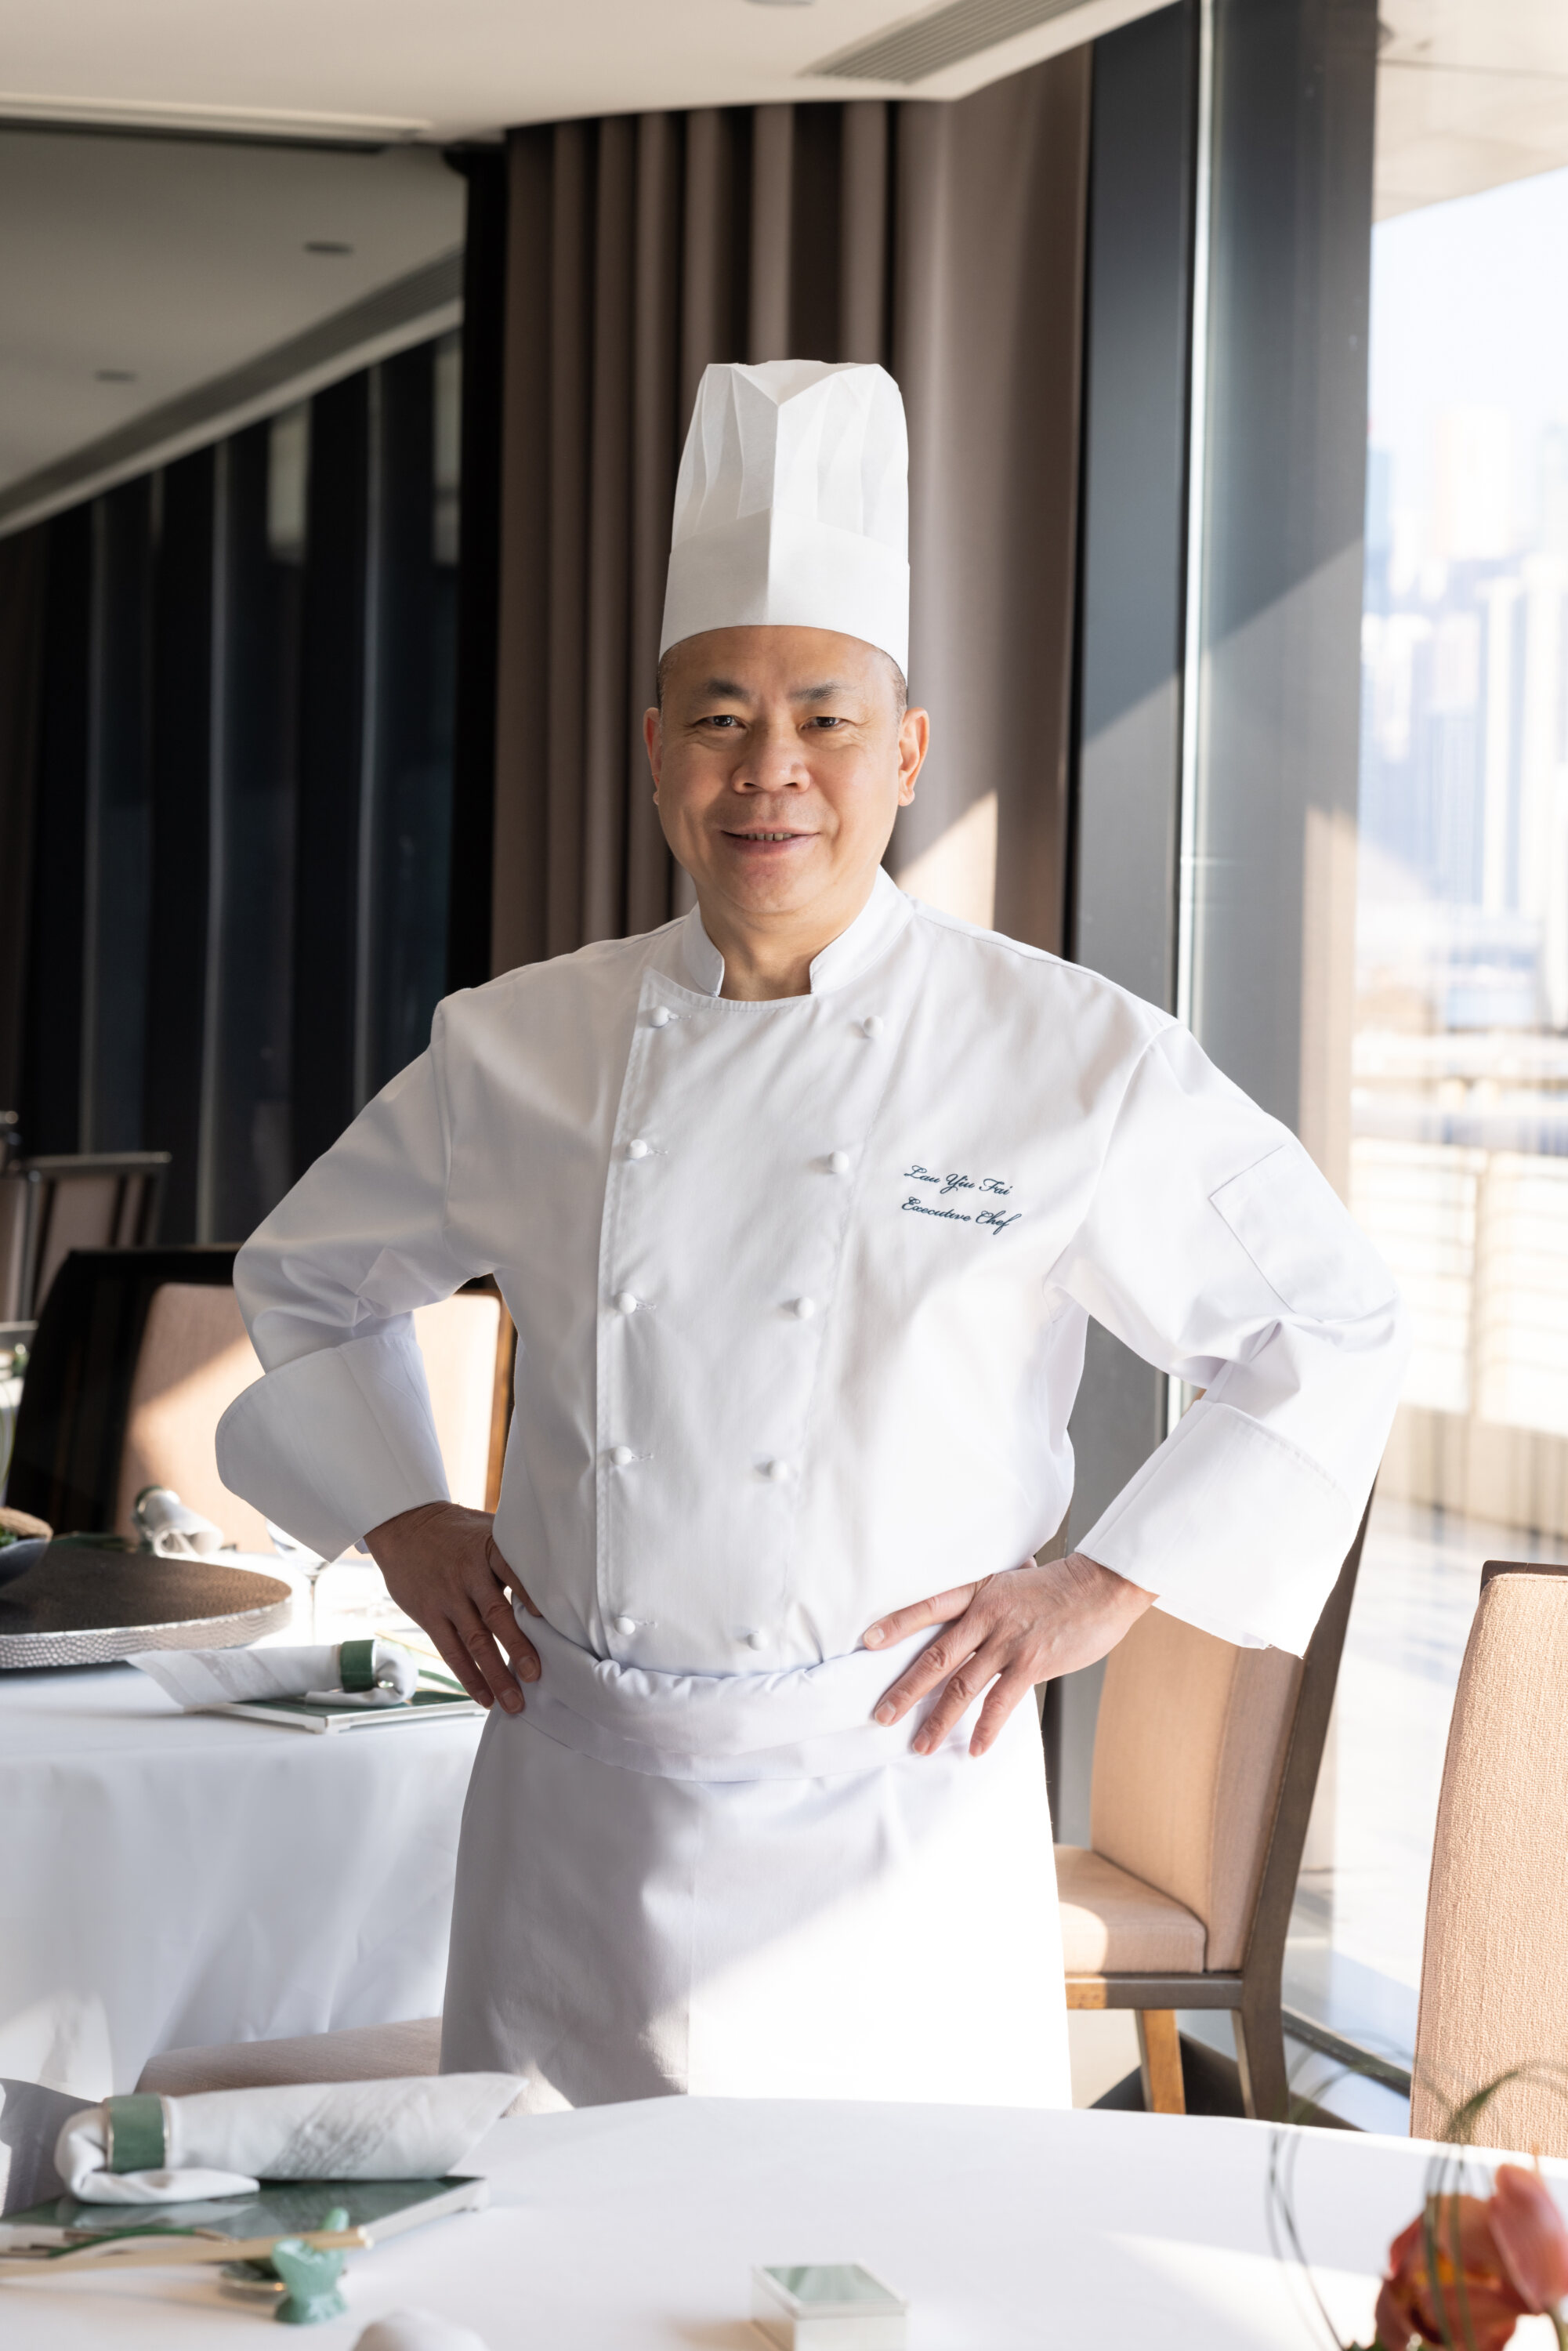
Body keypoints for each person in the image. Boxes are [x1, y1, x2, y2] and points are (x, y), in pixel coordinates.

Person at [218, 358, 1407, 2112]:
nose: (768, 771)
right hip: (573, 1809)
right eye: (717, 717)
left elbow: (1328, 1325)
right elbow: (304, 1280)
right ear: (653, 753)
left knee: (881, 2241)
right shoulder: (516, 1044)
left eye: (825, 720)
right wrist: (398, 1513)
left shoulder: (1068, 1053)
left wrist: (1097, 1587)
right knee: (556, 2244)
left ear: (905, 753)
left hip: (891, 1820)